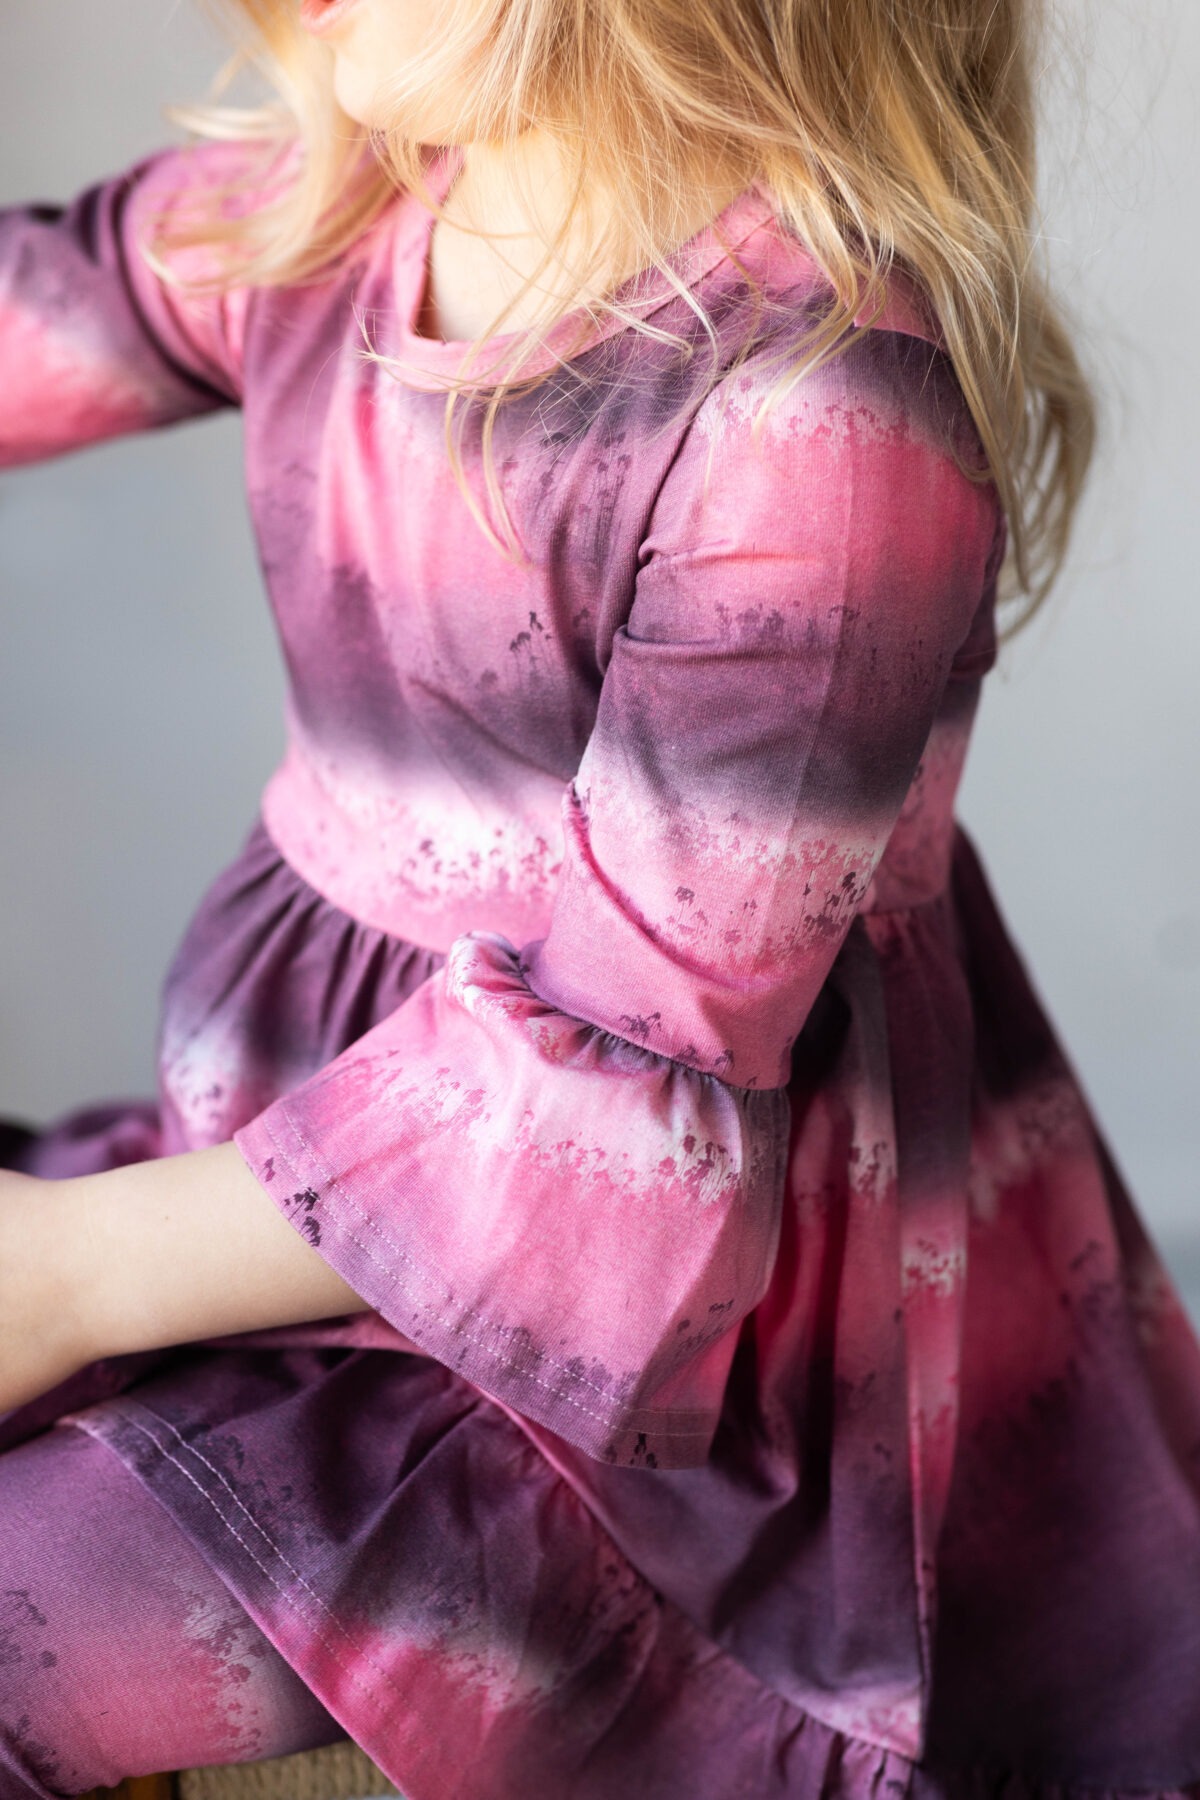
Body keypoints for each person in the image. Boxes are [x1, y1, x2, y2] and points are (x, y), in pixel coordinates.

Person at [1, 0, 1198, 1793]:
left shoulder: (815, 422)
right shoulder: (345, 210)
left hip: (660, 1401)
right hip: (274, 1184)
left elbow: (609, 1111)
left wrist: (70, 1275)